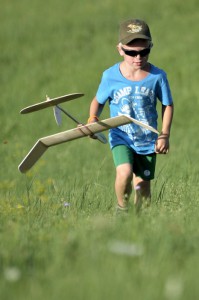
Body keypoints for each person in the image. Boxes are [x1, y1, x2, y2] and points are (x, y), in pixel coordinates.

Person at [87, 19, 174, 212]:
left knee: (143, 189)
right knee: (124, 172)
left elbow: (167, 105)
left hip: (147, 140)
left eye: (144, 51)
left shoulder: (158, 77)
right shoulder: (110, 76)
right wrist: (93, 119)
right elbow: (98, 102)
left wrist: (164, 134)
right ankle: (122, 209)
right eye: (131, 52)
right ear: (120, 49)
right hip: (121, 136)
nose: (138, 57)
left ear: (150, 47)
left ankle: (137, 223)